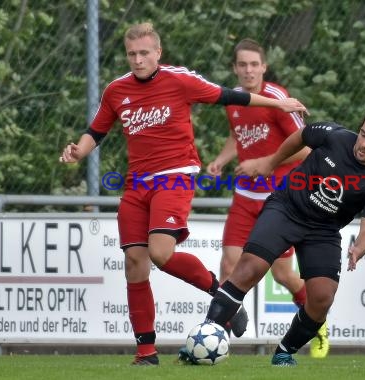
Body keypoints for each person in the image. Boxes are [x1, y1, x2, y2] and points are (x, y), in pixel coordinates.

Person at [58, 22, 307, 366]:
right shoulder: (117, 90)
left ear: (158, 53)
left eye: (145, 53)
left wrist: (278, 105)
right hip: (137, 184)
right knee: (134, 263)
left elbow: (229, 94)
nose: (138, 59)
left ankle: (220, 295)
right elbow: (96, 130)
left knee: (161, 252)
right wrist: (79, 151)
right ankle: (146, 352)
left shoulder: (179, 79)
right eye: (132, 54)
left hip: (175, 176)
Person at [201, 104, 365, 366]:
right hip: (287, 207)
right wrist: (271, 163)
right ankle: (204, 336)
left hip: (323, 231)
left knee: (322, 298)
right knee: (251, 267)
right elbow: (300, 137)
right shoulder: (333, 134)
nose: (363, 143)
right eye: (363, 133)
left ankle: (284, 352)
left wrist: (358, 248)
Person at [205, 39, 328, 358]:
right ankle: (215, 338)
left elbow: (305, 147)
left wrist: (265, 163)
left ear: (264, 67)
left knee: (283, 273)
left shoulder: (276, 99)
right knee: (229, 264)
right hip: (245, 196)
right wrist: (221, 159)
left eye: (253, 64)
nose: (248, 70)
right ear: (235, 68)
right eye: (242, 64)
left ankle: (316, 322)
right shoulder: (234, 101)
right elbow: (238, 136)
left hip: (280, 199)